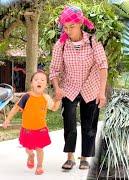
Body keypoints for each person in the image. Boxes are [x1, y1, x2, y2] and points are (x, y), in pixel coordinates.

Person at [49, 5, 108, 170]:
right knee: (69, 122)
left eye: (72, 27)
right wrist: (57, 88)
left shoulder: (92, 41)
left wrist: (102, 92)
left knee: (89, 124)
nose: (68, 30)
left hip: (91, 86)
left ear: (80, 23)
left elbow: (103, 66)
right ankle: (70, 157)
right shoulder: (60, 45)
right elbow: (54, 69)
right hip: (69, 86)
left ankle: (84, 158)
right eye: (65, 27)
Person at [3, 71, 61, 175]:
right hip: (27, 129)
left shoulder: (46, 97)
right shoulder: (26, 96)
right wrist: (7, 120)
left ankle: (39, 166)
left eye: (42, 80)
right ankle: (30, 155)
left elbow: (54, 108)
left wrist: (57, 100)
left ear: (46, 85)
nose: (39, 81)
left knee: (40, 149)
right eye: (36, 79)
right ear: (31, 83)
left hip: (41, 129)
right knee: (28, 149)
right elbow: (16, 108)